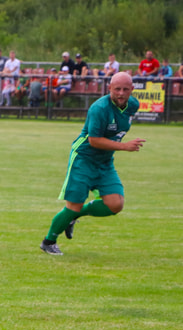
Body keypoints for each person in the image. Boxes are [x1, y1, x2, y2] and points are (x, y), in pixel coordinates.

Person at [40, 72, 144, 255]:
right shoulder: (99, 109)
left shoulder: (133, 105)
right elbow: (94, 140)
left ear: (132, 90)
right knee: (74, 205)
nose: (121, 93)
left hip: (104, 161)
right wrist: (124, 146)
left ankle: (75, 217)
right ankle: (49, 241)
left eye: (125, 89)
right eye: (117, 89)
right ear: (109, 88)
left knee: (116, 204)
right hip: (83, 158)